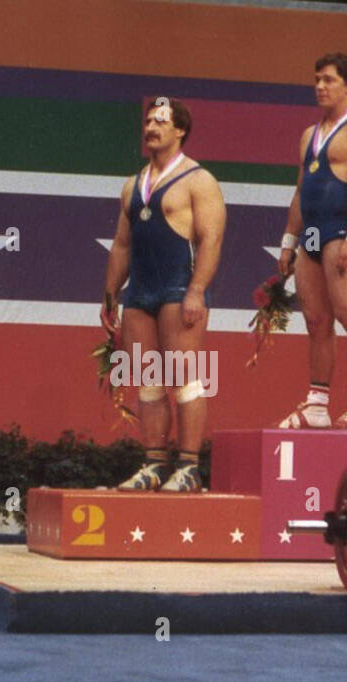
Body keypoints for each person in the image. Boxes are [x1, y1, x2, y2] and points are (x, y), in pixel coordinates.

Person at [102, 97, 226, 491]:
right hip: (139, 292)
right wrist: (110, 293)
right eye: (148, 121)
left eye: (161, 121)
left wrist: (197, 291)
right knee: (148, 381)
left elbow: (211, 240)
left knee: (184, 378)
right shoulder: (132, 185)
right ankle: (154, 465)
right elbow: (122, 245)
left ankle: (188, 468)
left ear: (180, 131)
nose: (151, 128)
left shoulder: (199, 181)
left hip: (178, 288)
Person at [275, 52, 347, 430]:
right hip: (311, 233)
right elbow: (300, 192)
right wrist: (289, 242)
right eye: (317, 79)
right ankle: (318, 404)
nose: (320, 86)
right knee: (316, 320)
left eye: (328, 80)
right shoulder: (310, 134)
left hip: (343, 231)